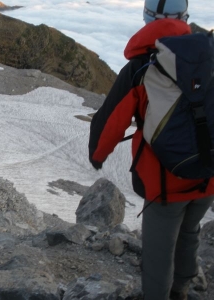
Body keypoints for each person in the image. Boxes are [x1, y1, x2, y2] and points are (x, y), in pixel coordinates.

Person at [88, 1, 214, 299]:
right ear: (185, 18)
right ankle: (181, 288)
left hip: (164, 182)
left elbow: (110, 121)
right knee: (190, 230)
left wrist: (98, 156)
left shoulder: (141, 66)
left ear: (147, 17)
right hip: (209, 174)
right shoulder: (208, 53)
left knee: (159, 249)